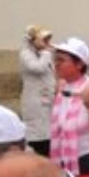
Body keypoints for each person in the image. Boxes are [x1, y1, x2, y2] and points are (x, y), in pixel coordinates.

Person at [50, 38, 89, 177]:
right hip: (64, 158)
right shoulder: (61, 86)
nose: (56, 64)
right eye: (56, 60)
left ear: (79, 64)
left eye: (62, 60)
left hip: (88, 159)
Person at [20, 25, 56, 156]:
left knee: (47, 132)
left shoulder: (43, 54)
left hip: (47, 100)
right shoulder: (26, 54)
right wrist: (46, 53)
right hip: (35, 102)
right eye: (44, 39)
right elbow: (37, 68)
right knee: (37, 134)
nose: (47, 43)